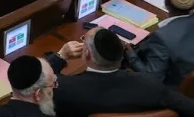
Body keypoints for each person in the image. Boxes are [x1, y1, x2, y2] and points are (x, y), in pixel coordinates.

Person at [47, 27, 194, 117]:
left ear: (87, 54)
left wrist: (60, 56)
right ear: (123, 53)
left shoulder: (65, 88)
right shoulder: (150, 85)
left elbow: (35, 82)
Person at [126, 0, 194, 86]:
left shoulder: (162, 37)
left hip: (176, 91)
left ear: (166, 5)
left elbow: (152, 78)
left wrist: (130, 56)